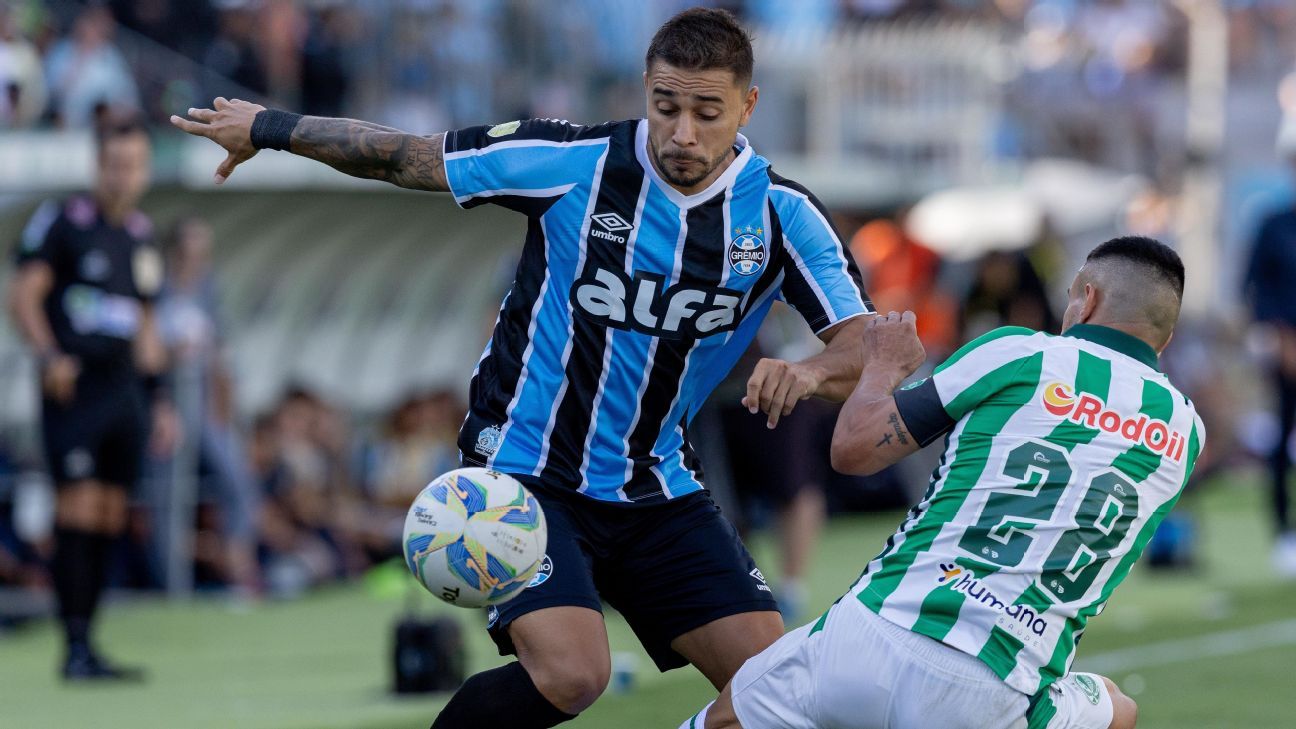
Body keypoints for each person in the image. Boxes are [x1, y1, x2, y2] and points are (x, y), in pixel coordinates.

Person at [171, 7, 874, 727]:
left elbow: (863, 344)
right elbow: (405, 156)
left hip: (653, 482)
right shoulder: (574, 161)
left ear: (747, 106)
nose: (683, 132)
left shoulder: (784, 214)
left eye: (706, 111)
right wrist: (270, 128)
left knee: (782, 686)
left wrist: (814, 371)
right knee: (574, 674)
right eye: (666, 107)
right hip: (523, 471)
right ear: (645, 92)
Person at [684, 236, 1203, 729]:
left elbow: (854, 448)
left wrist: (882, 368)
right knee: (1117, 707)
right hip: (995, 692)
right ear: (1167, 336)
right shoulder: (1186, 430)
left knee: (726, 717)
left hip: (874, 634)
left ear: (1086, 300)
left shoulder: (1022, 352)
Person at [7, 115, 171, 680]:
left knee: (109, 513)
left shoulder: (142, 237)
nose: (123, 176)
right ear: (97, 165)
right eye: (114, 165)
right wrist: (50, 356)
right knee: (75, 508)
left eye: (133, 166)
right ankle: (72, 647)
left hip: (124, 393)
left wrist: (162, 400)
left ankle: (90, 645)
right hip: (74, 389)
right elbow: (24, 297)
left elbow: (148, 326)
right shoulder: (63, 222)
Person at [1244, 183, 1296, 577]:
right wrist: (1280, 338)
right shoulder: (1275, 224)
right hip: (1286, 350)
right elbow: (1252, 286)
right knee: (1282, 436)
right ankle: (1283, 531)